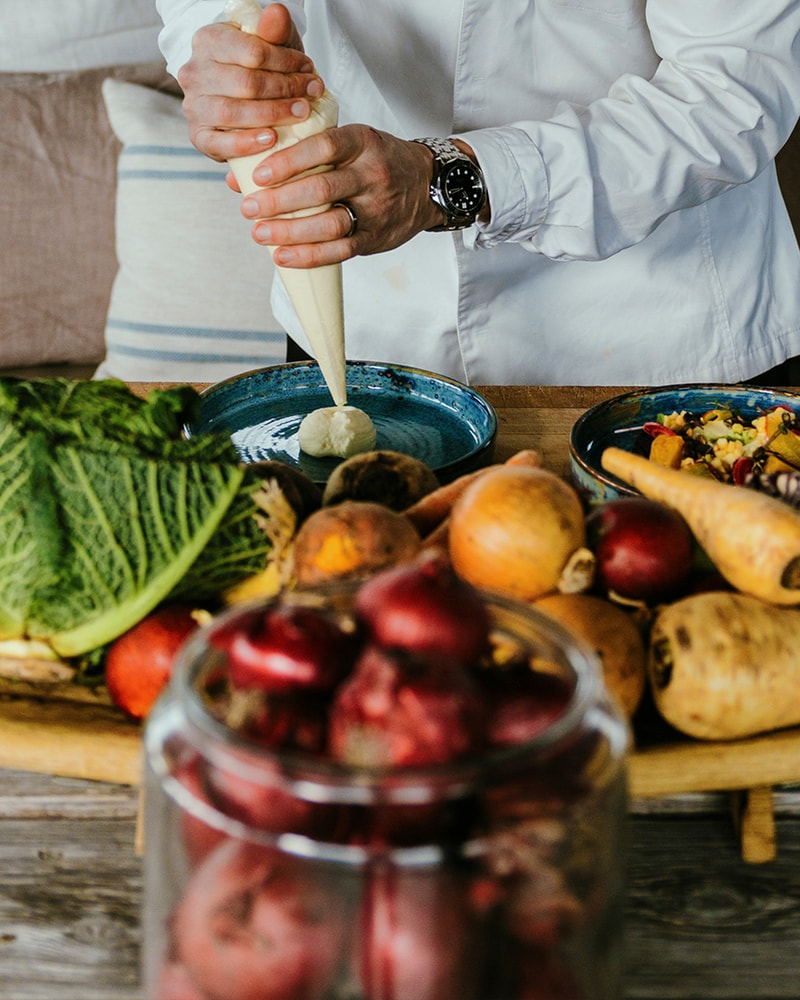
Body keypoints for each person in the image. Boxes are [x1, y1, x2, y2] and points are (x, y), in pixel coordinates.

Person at [155, 0, 800, 386]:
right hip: (363, 323)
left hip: (657, 333)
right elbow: (210, 10)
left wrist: (444, 182)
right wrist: (219, 50)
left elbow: (738, 80)